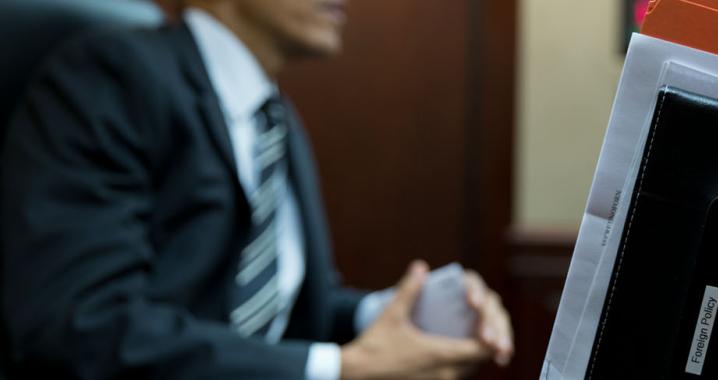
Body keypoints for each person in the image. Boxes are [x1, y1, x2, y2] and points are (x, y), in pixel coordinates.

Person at [0, 0, 512, 379]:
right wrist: (337, 369)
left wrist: (401, 313)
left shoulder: (274, 118)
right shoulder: (110, 76)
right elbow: (83, 324)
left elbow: (272, 308)